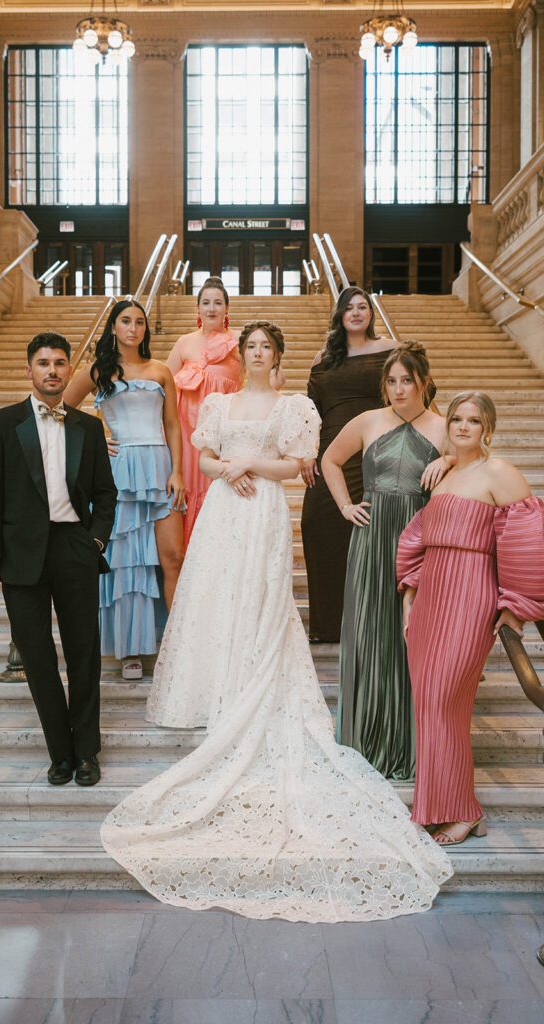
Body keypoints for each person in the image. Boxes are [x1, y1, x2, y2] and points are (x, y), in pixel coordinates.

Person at [101, 321, 453, 923]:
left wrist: (250, 467)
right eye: (251, 348)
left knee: (262, 597)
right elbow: (203, 457)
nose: (258, 354)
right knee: (215, 595)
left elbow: (299, 466)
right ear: (241, 356)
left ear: (278, 355)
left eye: (267, 347)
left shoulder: (293, 405)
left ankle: (257, 673)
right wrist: (226, 468)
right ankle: (215, 681)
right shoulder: (218, 401)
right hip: (223, 511)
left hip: (261, 509)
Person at [398, 392, 544, 845]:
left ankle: (464, 810)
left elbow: (527, 538)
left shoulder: (499, 472)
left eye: (473, 420)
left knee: (447, 700)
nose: (463, 426)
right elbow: (420, 539)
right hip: (430, 600)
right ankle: (434, 807)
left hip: (471, 596)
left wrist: (516, 608)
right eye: (456, 419)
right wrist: (409, 598)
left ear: (488, 428)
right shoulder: (445, 474)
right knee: (428, 704)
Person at [0, 332, 116, 787]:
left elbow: (105, 495)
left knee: (83, 655)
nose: (52, 370)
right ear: (29, 369)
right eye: (43, 363)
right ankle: (61, 752)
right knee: (36, 656)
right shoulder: (0, 423)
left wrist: (94, 541)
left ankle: (86, 751)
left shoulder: (88, 427)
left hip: (74, 548)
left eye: (59, 363)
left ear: (70, 369)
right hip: (21, 557)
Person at [321, 341, 450, 781]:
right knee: (369, 632)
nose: (398, 389)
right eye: (391, 381)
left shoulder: (442, 427)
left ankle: (411, 741)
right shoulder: (367, 421)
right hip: (372, 537)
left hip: (420, 540)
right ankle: (366, 740)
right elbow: (331, 460)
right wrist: (345, 507)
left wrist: (449, 458)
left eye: (406, 381)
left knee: (409, 637)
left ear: (423, 382)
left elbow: (475, 462)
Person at [65, 299, 185, 682]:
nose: (133, 328)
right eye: (125, 321)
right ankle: (130, 651)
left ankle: (177, 644)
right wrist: (98, 436)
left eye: (139, 322)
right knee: (125, 560)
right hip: (119, 473)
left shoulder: (161, 370)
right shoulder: (99, 370)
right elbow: (63, 408)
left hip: (160, 469)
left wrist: (178, 471)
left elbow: (173, 426)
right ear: (113, 327)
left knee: (173, 557)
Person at [301, 287, 395, 643]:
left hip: (376, 449)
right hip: (332, 452)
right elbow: (312, 411)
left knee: (370, 530)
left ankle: (369, 621)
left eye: (363, 307)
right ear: (339, 314)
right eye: (349, 308)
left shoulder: (389, 350)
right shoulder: (324, 357)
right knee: (316, 520)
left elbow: (416, 393)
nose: (356, 313)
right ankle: (328, 625)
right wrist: (308, 451)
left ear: (370, 313)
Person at [166, 276, 242, 548]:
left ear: (227, 309)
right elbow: (162, 387)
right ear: (197, 309)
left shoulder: (238, 342)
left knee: (216, 494)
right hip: (186, 433)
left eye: (218, 303)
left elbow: (262, 378)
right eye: (206, 302)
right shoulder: (184, 342)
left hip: (222, 435)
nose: (211, 308)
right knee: (187, 489)